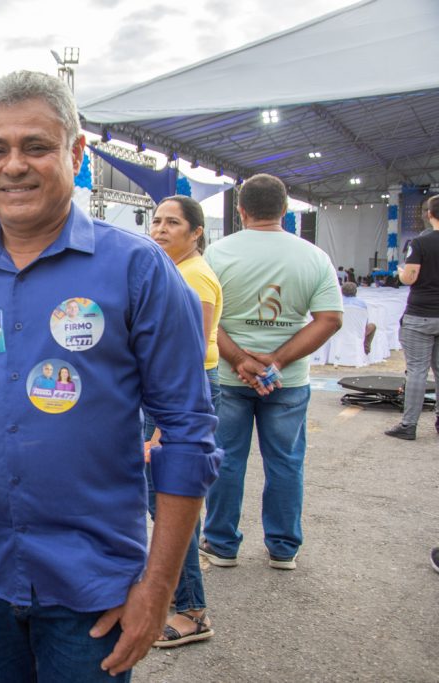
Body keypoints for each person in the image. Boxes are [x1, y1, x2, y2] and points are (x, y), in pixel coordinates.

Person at [0, 70, 220, 681]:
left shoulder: (139, 269)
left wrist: (159, 588)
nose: (14, 166)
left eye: (36, 146)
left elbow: (188, 434)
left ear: (76, 153)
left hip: (97, 587)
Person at [200, 173, 342, 572]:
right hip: (288, 379)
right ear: (285, 210)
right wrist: (276, 361)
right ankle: (283, 547)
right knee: (286, 462)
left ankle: (223, 544)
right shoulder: (313, 256)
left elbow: (205, 317)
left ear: (241, 210)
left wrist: (240, 361)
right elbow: (329, 319)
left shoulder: (218, 254)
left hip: (229, 377)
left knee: (226, 460)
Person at [147, 194, 223, 648]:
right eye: (156, 220)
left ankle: (192, 609)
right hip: (168, 402)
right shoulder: (174, 271)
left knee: (172, 504)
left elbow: (188, 360)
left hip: (178, 405)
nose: (159, 229)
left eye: (172, 222)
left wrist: (161, 430)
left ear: (196, 232)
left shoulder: (193, 278)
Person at [385, 195, 439, 440]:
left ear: (429, 214)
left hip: (421, 313)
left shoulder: (420, 242)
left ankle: (409, 425)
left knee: (417, 370)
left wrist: (402, 273)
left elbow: (411, 277)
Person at [341, 281, 377, 354]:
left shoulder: (338, 302)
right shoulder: (362, 303)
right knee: (372, 326)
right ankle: (366, 349)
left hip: (339, 331)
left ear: (342, 291)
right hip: (358, 332)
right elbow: (365, 321)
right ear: (356, 291)